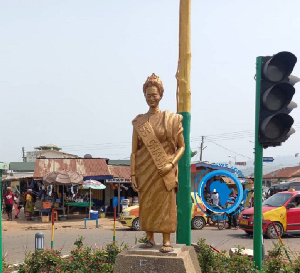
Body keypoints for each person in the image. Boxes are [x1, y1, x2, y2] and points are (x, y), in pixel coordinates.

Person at [131, 73, 185, 253]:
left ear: (160, 95)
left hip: (164, 169)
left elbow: (182, 147)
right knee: (146, 203)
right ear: (144, 96)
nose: (151, 98)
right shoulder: (139, 121)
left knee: (165, 204)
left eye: (154, 95)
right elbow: (134, 151)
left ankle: (167, 240)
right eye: (148, 95)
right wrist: (132, 174)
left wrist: (171, 164)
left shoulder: (171, 119)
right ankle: (149, 237)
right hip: (145, 170)